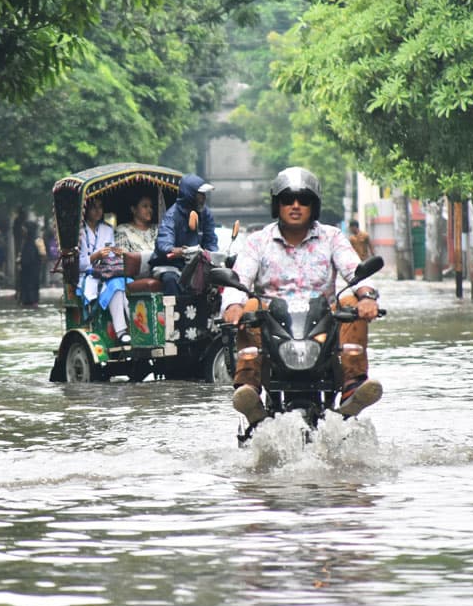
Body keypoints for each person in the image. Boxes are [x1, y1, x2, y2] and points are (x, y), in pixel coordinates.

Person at [220, 166, 383, 427]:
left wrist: (367, 297)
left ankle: (353, 384)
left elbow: (355, 272)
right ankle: (249, 388)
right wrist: (232, 305)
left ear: (313, 205)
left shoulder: (332, 237)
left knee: (352, 302)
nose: (295, 206)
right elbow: (239, 280)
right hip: (273, 326)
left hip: (321, 325)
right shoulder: (257, 241)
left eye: (303, 200)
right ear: (278, 205)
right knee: (248, 305)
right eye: (288, 199)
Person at [151, 174, 218, 295]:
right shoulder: (171, 215)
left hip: (196, 266)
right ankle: (174, 312)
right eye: (200, 194)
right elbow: (163, 243)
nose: (203, 198)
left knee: (217, 277)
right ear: (190, 195)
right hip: (171, 266)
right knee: (170, 279)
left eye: (204, 195)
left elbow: (211, 240)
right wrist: (180, 251)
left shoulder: (205, 213)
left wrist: (215, 256)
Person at [78, 197, 132, 345]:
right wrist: (95, 256)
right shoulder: (80, 232)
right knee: (116, 285)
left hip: (109, 271)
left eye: (100, 207)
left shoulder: (107, 229)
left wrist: (117, 253)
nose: (98, 211)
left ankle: (134, 328)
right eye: (93, 207)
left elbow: (112, 256)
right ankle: (121, 332)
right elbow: (77, 265)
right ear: (85, 210)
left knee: (126, 283)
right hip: (89, 276)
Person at [18, 221, 45, 307]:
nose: (23, 231)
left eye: (25, 229)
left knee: (33, 284)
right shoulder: (24, 241)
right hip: (25, 267)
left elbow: (43, 254)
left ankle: (34, 301)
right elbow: (21, 253)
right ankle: (25, 301)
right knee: (24, 283)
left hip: (34, 268)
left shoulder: (38, 240)